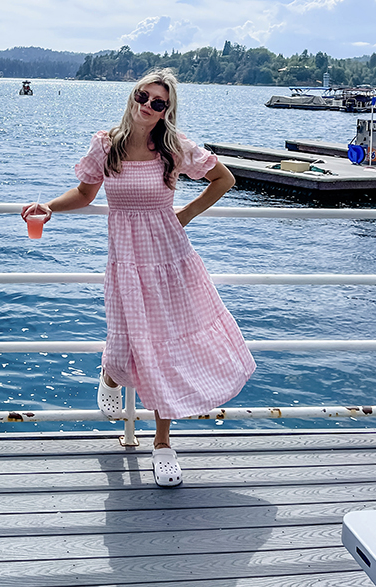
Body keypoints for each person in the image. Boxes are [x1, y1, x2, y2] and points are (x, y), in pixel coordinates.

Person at [22, 69, 255, 487]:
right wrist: (50, 208)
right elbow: (85, 193)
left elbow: (225, 180)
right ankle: (111, 372)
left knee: (165, 349)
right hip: (126, 259)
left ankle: (163, 445)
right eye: (142, 96)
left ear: (167, 111)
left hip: (171, 259)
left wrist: (185, 214)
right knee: (127, 334)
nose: (147, 105)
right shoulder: (106, 144)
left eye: (158, 102)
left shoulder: (173, 147)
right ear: (132, 96)